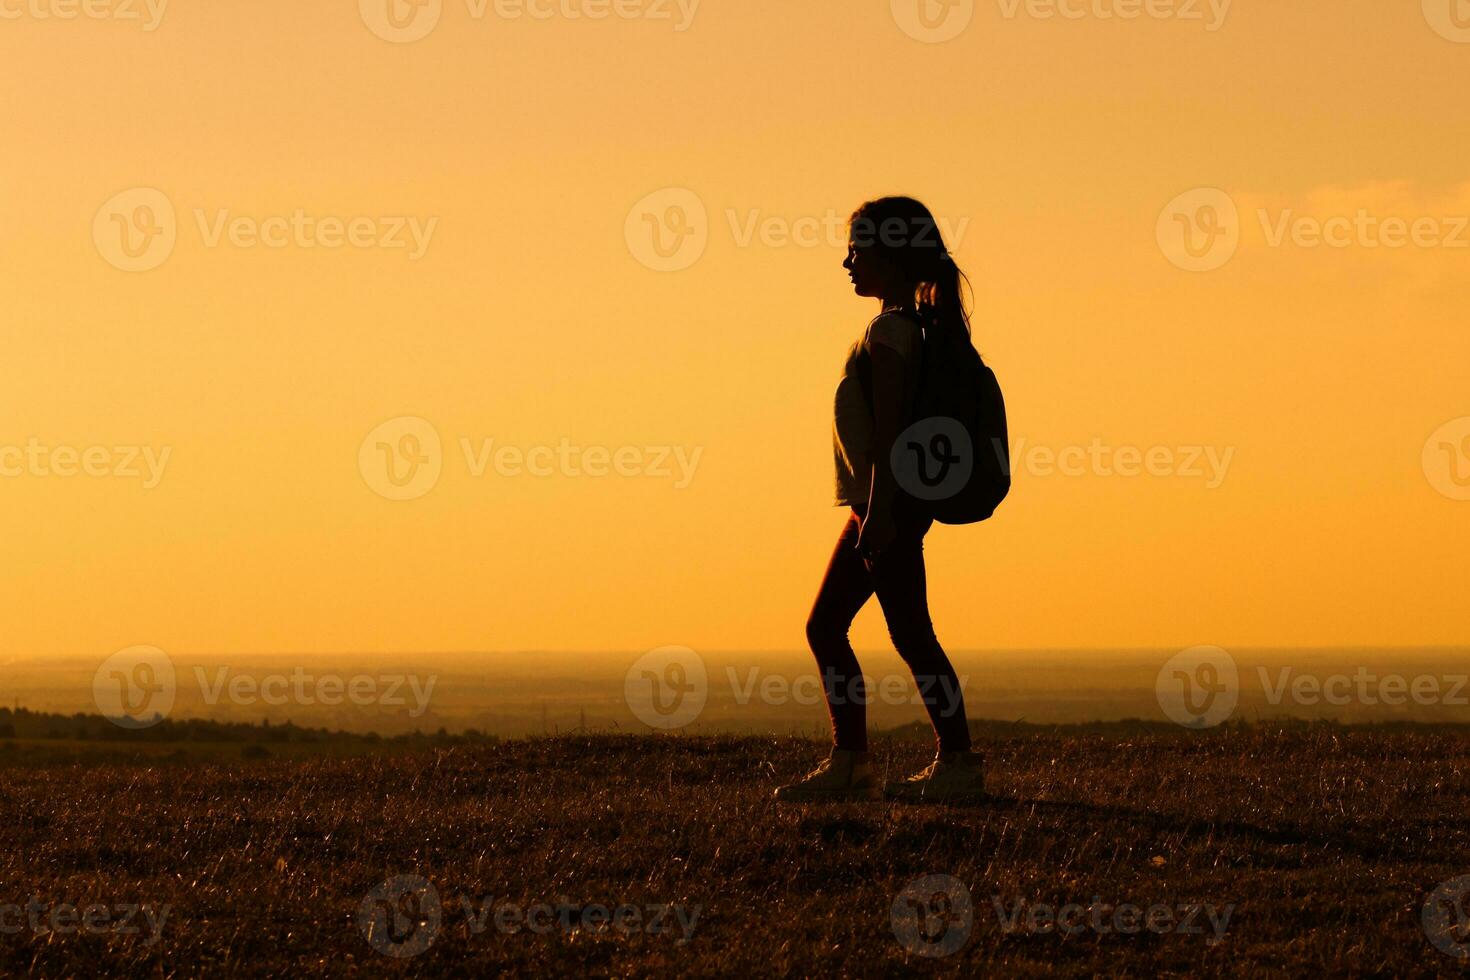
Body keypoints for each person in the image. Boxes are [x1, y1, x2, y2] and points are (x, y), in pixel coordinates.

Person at [775, 197, 984, 803]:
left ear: (890, 256)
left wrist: (882, 512)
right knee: (850, 628)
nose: (847, 262)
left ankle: (947, 762)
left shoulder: (890, 330)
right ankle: (870, 761)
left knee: (896, 633)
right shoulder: (912, 324)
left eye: (858, 249)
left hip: (883, 505)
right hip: (883, 503)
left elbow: (892, 430)